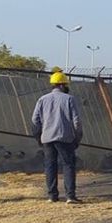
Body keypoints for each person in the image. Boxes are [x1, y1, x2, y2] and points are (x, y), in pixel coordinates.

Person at [31, 71, 83, 204]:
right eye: (66, 84)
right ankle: (70, 196)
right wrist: (77, 137)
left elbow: (35, 120)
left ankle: (52, 196)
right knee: (68, 165)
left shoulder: (42, 99)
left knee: (50, 166)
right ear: (61, 85)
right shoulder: (69, 99)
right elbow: (76, 121)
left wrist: (38, 137)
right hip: (64, 137)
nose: (67, 86)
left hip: (47, 137)